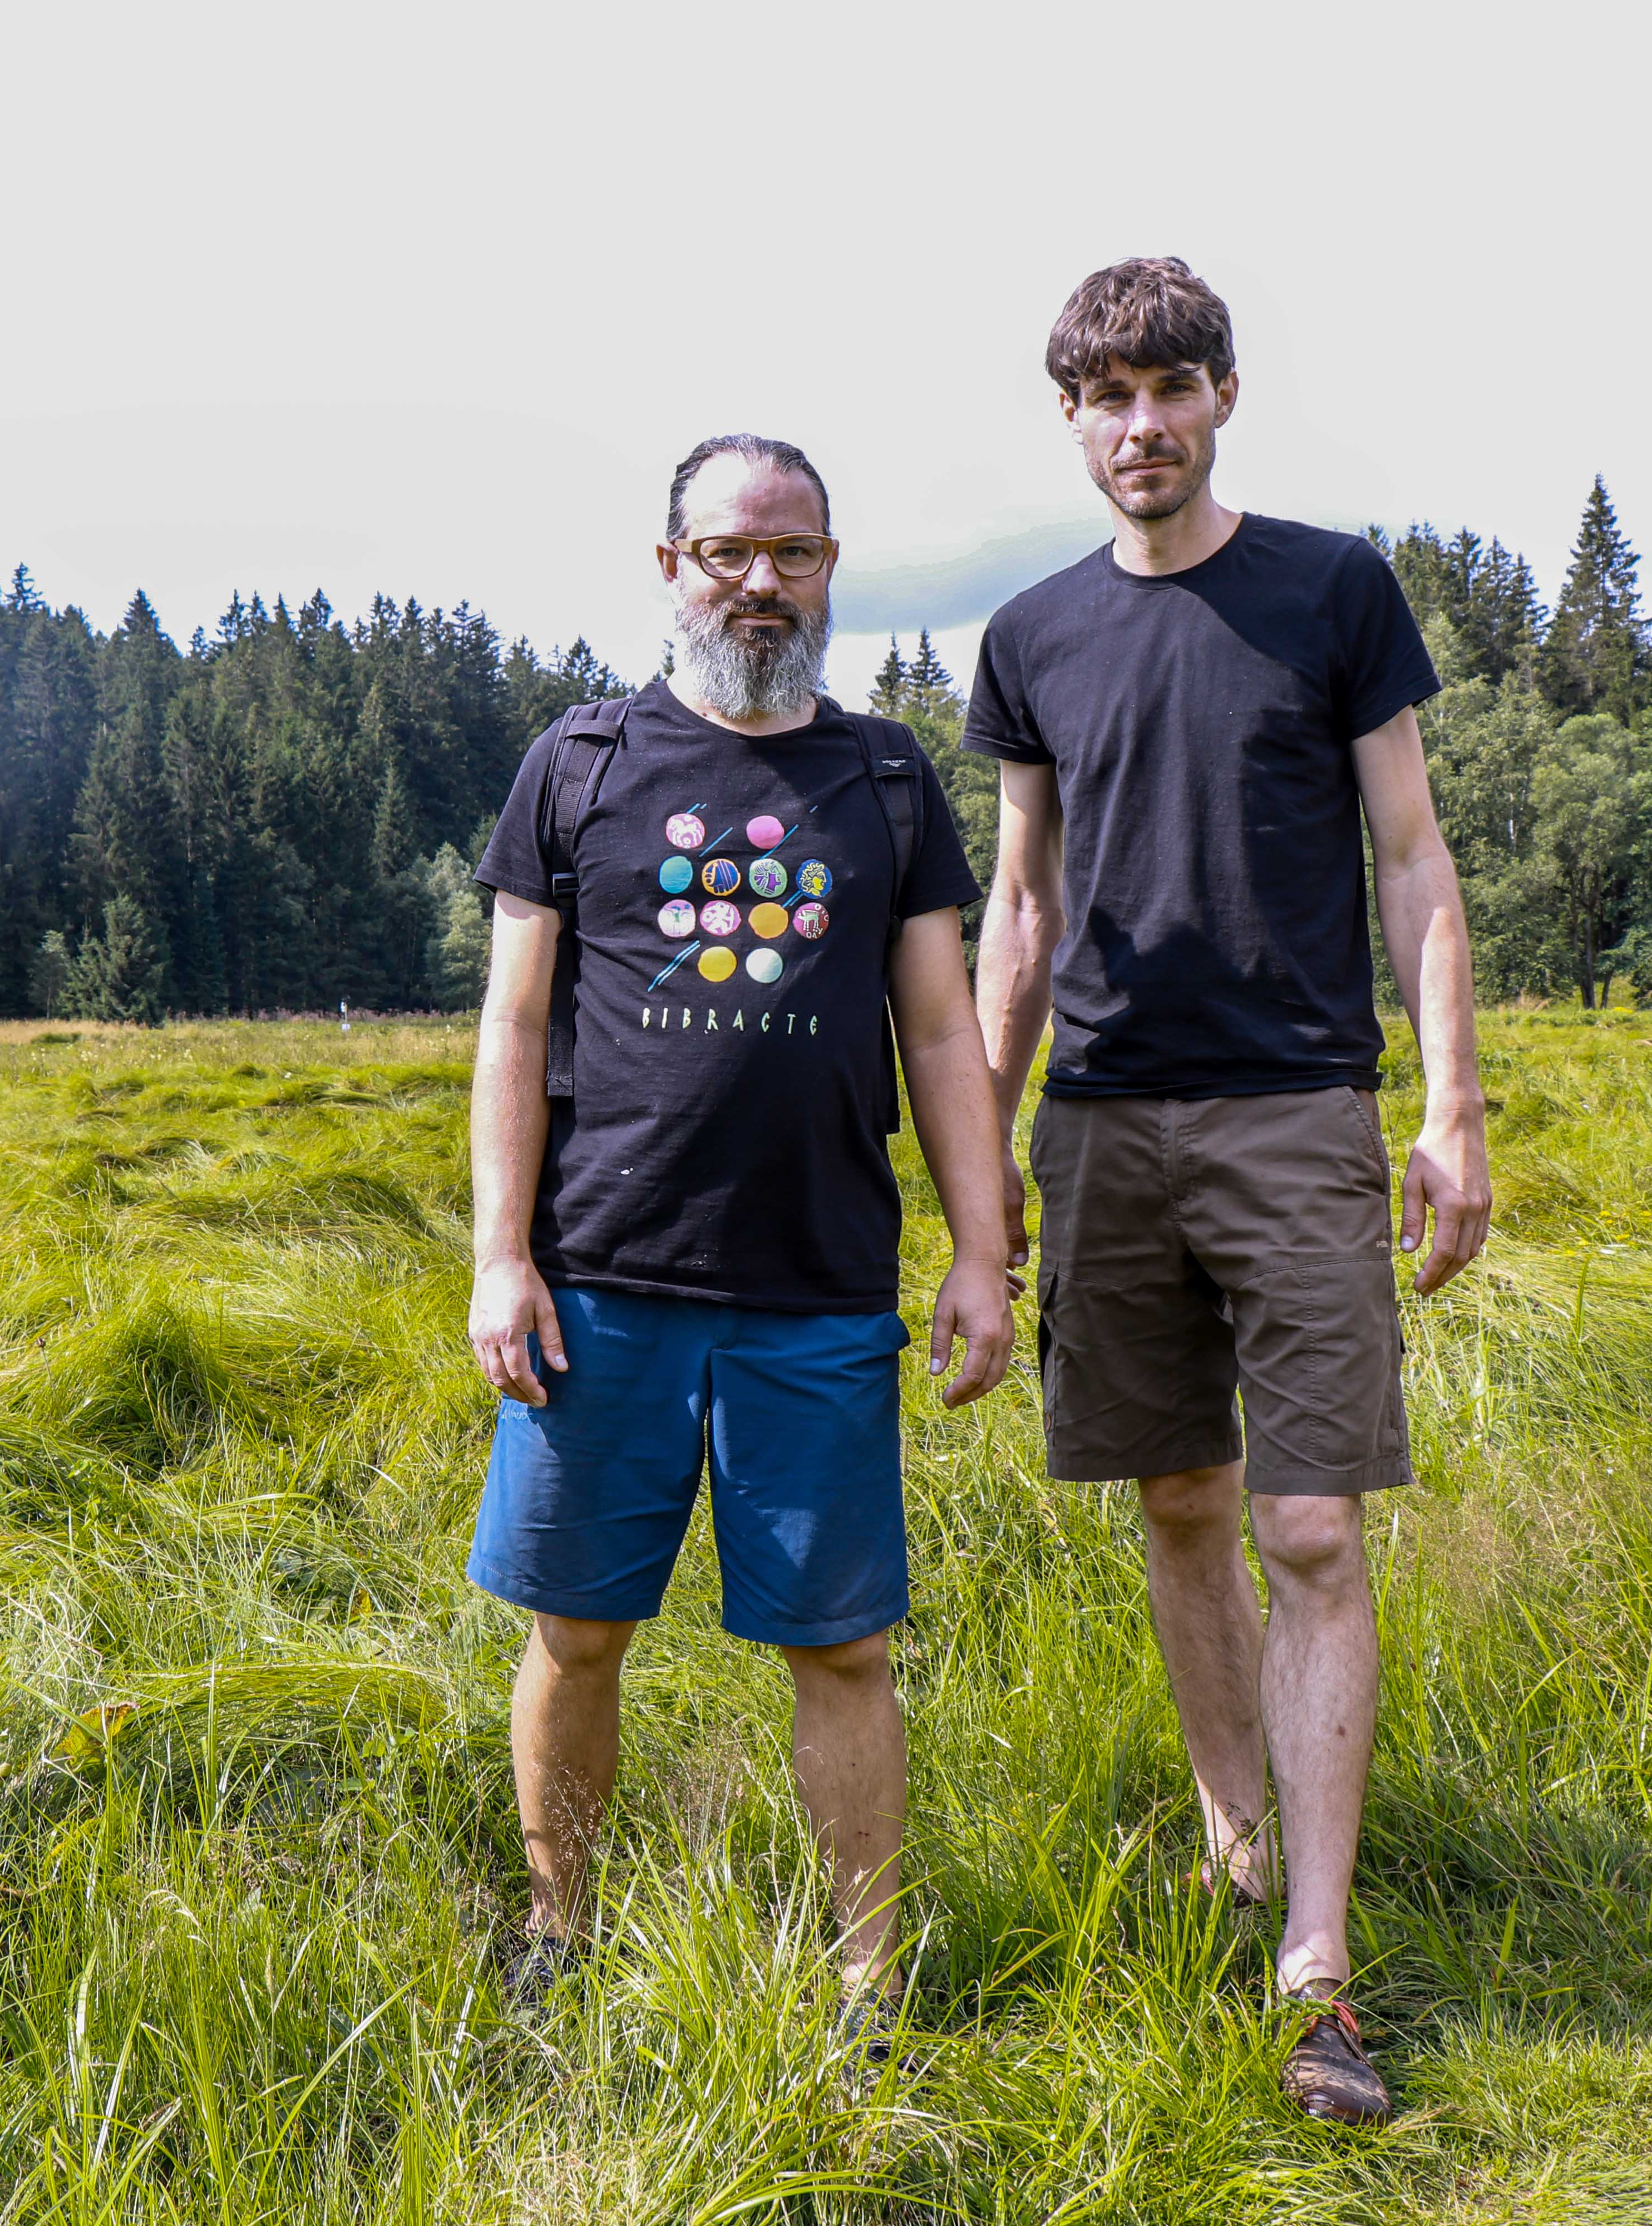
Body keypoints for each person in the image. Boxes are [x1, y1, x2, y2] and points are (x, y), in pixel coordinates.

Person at [966, 258, 1493, 2125]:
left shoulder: (1332, 591)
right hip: (1103, 1126)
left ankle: (1321, 1973)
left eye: (1171, 388)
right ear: (1072, 421)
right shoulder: (1030, 637)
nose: (1142, 426)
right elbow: (1019, 906)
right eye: (1107, 398)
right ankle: (1236, 1851)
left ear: (1225, 396)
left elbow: (1414, 858)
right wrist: (981, 1165)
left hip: (1293, 1113)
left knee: (1314, 1532)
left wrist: (1451, 1109)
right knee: (1178, 1502)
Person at [464, 434, 1014, 2046]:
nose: (759, 583)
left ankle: (870, 1978)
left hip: (819, 1291)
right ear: (670, 571)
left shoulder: (890, 779)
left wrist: (983, 1253)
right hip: (603, 1286)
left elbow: (938, 1030)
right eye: (727, 553)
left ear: (832, 570)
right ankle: (561, 1927)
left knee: (841, 1648)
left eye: (792, 553)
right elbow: (513, 1027)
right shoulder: (577, 766)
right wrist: (504, 1255)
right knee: (576, 1634)